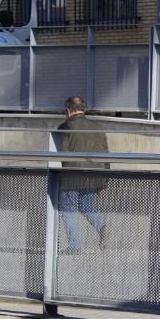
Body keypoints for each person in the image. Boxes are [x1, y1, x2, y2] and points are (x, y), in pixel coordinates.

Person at [55, 95, 108, 253]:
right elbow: (106, 154)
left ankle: (74, 246)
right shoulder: (97, 128)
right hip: (94, 175)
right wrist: (103, 182)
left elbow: (60, 153)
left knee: (67, 208)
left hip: (71, 175)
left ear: (68, 110)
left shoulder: (66, 127)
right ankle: (103, 227)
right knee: (87, 206)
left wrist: (58, 174)